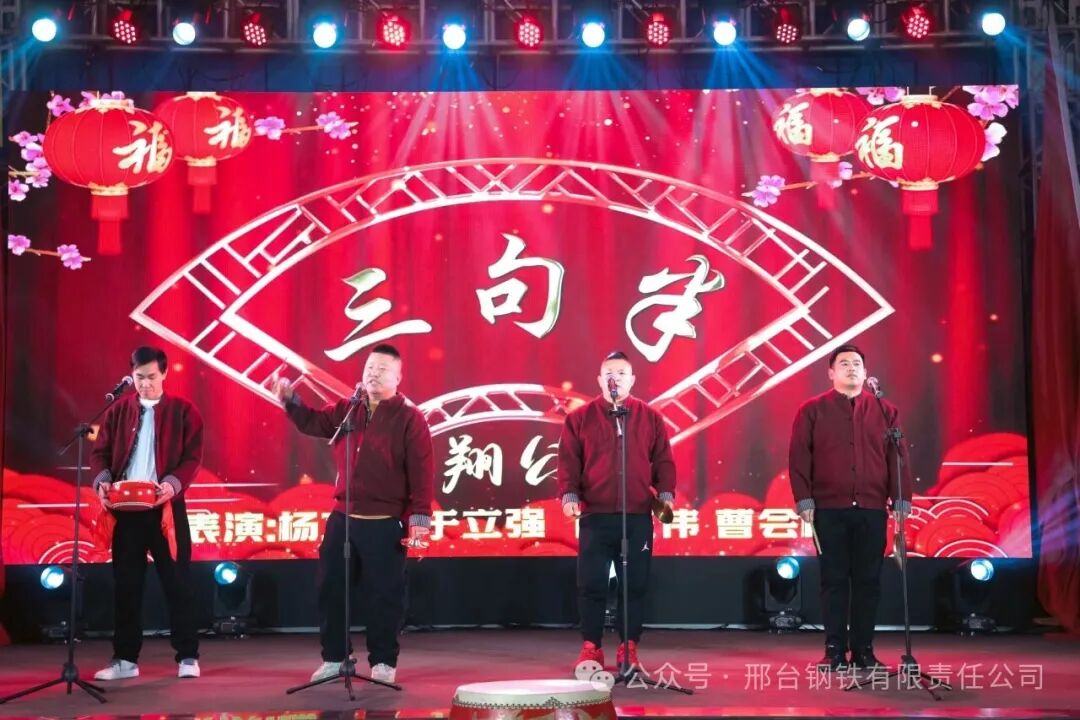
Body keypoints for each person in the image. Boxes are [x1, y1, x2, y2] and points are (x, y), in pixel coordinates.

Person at [273, 343, 433, 684]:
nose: (373, 374)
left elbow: (422, 474)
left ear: (398, 377)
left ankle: (383, 661)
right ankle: (334, 657)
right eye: (370, 368)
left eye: (382, 369)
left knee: (384, 595)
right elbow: (313, 422)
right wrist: (291, 400)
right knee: (330, 588)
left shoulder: (410, 417)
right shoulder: (349, 409)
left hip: (384, 522)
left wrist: (419, 521)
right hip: (343, 519)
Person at [788, 344, 913, 671]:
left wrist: (901, 497)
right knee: (833, 580)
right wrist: (804, 498)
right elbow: (799, 456)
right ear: (831, 373)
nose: (851, 368)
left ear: (866, 372)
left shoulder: (885, 410)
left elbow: (897, 456)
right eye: (844, 363)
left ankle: (863, 650)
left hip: (872, 508)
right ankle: (834, 650)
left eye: (857, 363)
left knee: (868, 581)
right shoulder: (812, 410)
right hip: (829, 508)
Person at [557, 351, 676, 673]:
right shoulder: (580, 418)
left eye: (622, 373)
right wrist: (569, 494)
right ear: (600, 380)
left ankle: (629, 647)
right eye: (609, 372)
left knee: (633, 585)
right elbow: (568, 461)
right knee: (591, 584)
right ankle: (591, 647)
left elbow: (663, 460)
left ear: (632, 380)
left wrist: (666, 495)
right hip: (595, 516)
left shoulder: (650, 417)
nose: (615, 378)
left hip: (636, 517)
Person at [91, 346, 204, 680]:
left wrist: (172, 484)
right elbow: (100, 453)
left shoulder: (184, 411)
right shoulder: (118, 410)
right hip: (126, 509)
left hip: (165, 507)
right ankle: (125, 660)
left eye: (152, 376)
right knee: (126, 585)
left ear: (165, 374)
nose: (145, 384)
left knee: (177, 581)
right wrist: (102, 481)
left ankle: (187, 656)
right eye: (139, 377)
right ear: (131, 376)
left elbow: (192, 458)